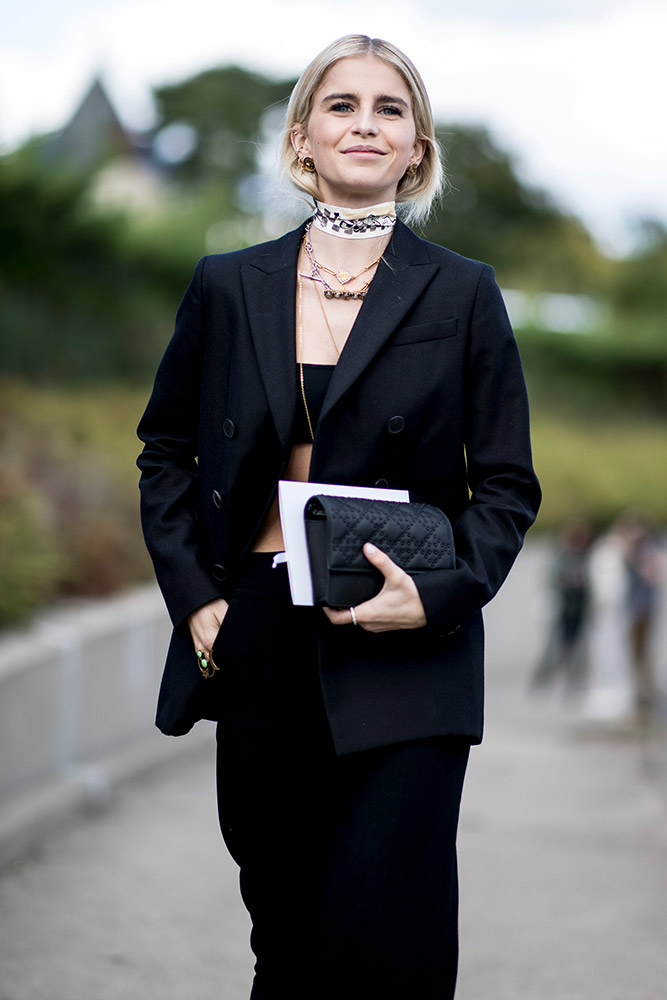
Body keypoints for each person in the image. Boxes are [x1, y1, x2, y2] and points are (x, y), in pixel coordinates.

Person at [137, 34, 541, 1000]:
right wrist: (198, 603)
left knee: (386, 942)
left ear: (418, 149)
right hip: (260, 629)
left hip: (408, 641)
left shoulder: (464, 291)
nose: (366, 123)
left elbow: (506, 486)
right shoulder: (229, 286)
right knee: (285, 934)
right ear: (303, 138)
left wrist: (438, 593)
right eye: (342, 104)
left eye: (390, 109)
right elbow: (167, 454)